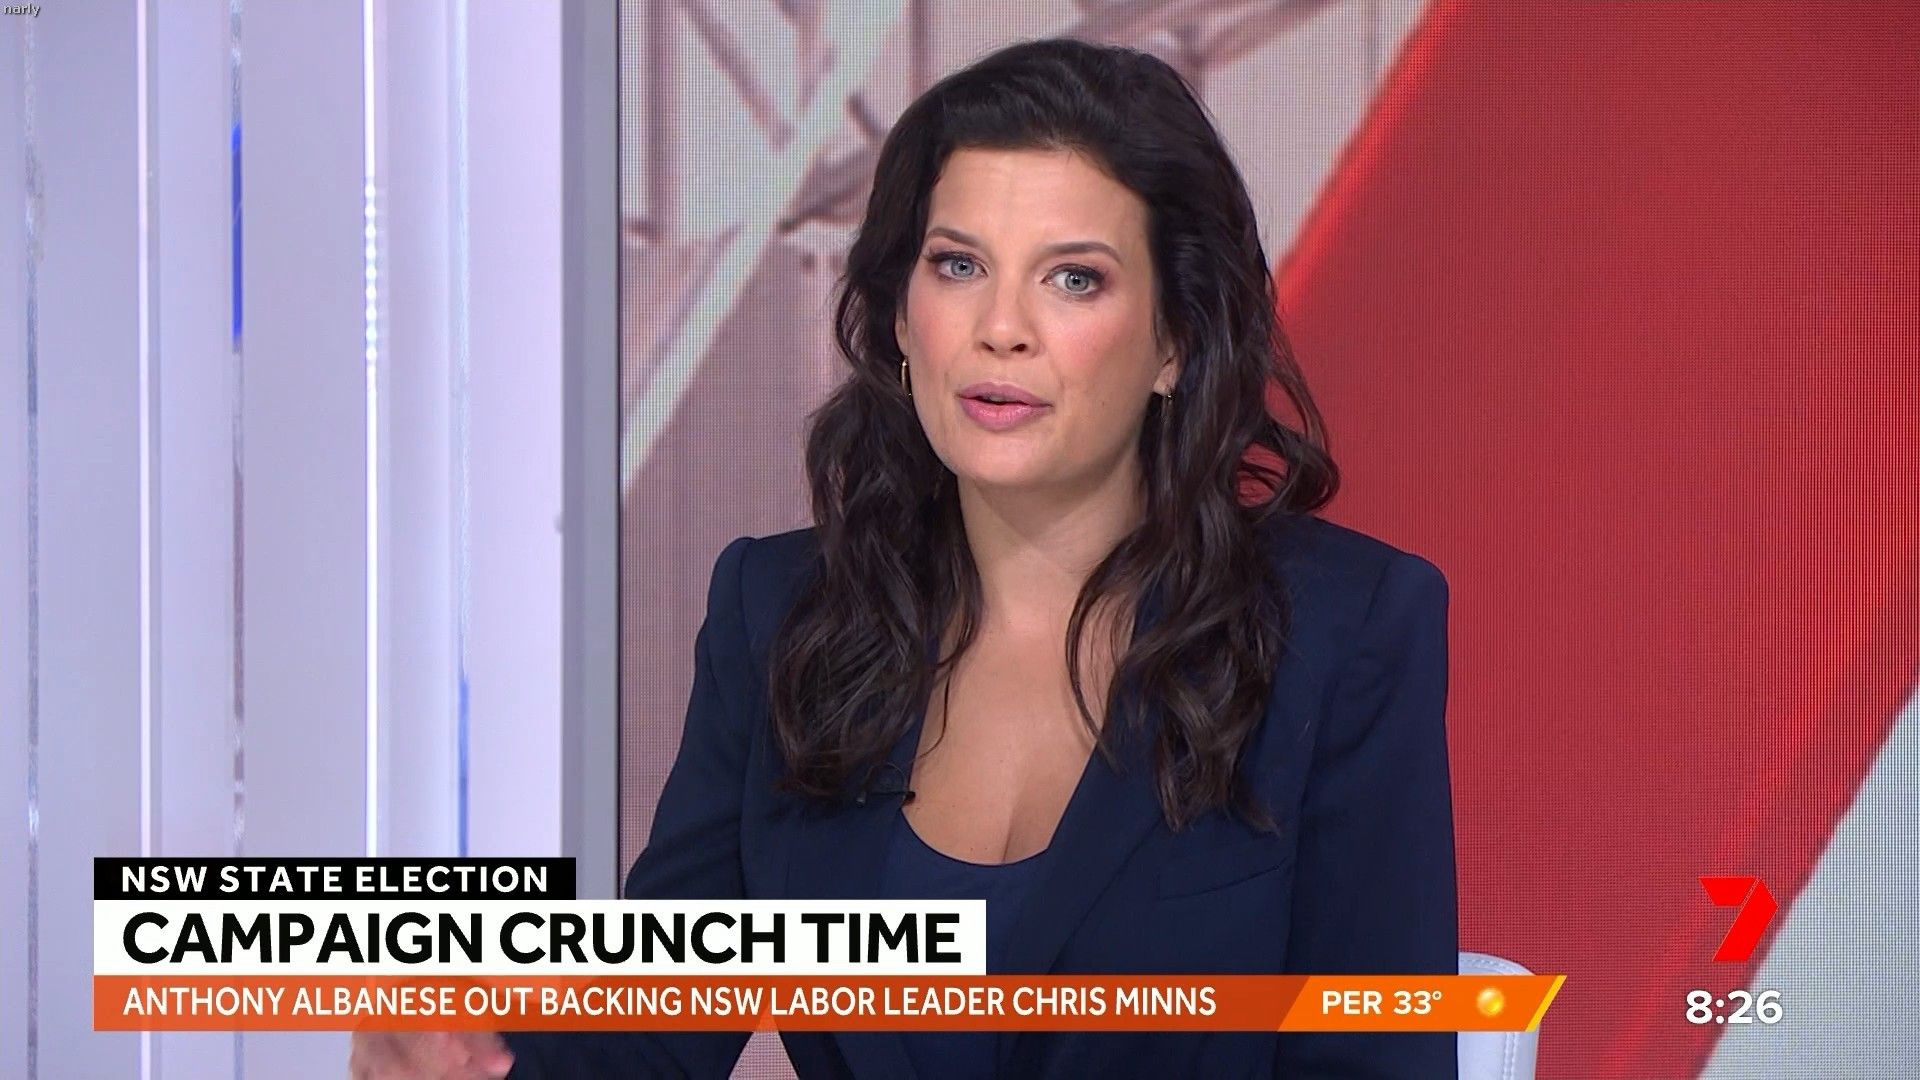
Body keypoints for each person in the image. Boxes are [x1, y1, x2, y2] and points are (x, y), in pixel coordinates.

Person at [351, 35, 1456, 1080]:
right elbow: (649, 1034)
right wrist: (473, 1049)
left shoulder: (1343, 630)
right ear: (898, 318)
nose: (1001, 328)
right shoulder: (782, 613)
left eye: (1073, 278)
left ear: (1176, 341)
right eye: (958, 265)